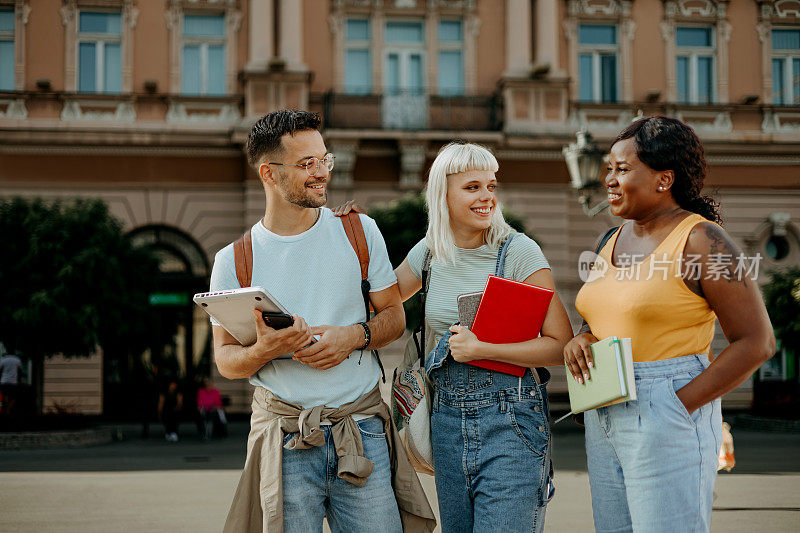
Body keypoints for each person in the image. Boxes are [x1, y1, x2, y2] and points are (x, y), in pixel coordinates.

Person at [210, 110, 435, 533]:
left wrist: (352, 337)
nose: (321, 174)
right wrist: (266, 348)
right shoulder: (234, 260)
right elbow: (226, 361)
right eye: (307, 163)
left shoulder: (359, 232)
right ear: (269, 174)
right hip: (285, 440)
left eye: (324, 160)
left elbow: (394, 317)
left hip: (362, 430)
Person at [337, 141, 573, 532]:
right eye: (472, 187)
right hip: (445, 419)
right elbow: (379, 301)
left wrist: (483, 347)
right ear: (442, 193)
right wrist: (355, 239)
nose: (487, 198)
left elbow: (560, 345)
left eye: (491, 186)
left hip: (510, 419)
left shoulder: (516, 252)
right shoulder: (430, 253)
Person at [564, 116, 776, 533]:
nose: (609, 179)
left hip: (668, 403)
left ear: (664, 179)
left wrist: (675, 406)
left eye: (622, 169)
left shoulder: (702, 240)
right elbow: (602, 318)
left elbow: (757, 341)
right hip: (603, 409)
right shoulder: (608, 240)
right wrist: (581, 338)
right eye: (609, 168)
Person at [0, 343, 23, 415]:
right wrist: (19, 380)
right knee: (14, 397)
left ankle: (7, 409)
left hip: (4, 381)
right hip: (13, 381)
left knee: (5, 395)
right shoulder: (17, 360)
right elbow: (20, 371)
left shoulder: (3, 360)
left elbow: (0, 370)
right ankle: (9, 409)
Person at [158, 378, 182, 442]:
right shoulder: (164, 393)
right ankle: (168, 432)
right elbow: (161, 403)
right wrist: (160, 412)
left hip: (175, 410)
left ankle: (174, 433)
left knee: (174, 415)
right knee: (168, 415)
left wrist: (177, 407)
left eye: (175, 385)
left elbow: (180, 403)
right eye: (172, 384)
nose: (173, 386)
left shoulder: (178, 393)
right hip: (166, 410)